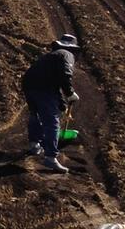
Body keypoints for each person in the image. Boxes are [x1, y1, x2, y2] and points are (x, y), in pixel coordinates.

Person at [22, 33, 81, 174]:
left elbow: (53, 83)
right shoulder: (67, 55)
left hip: (29, 84)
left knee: (35, 114)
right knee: (52, 122)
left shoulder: (51, 56)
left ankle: (34, 145)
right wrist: (70, 93)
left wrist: (61, 102)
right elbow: (65, 76)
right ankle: (50, 158)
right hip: (43, 88)